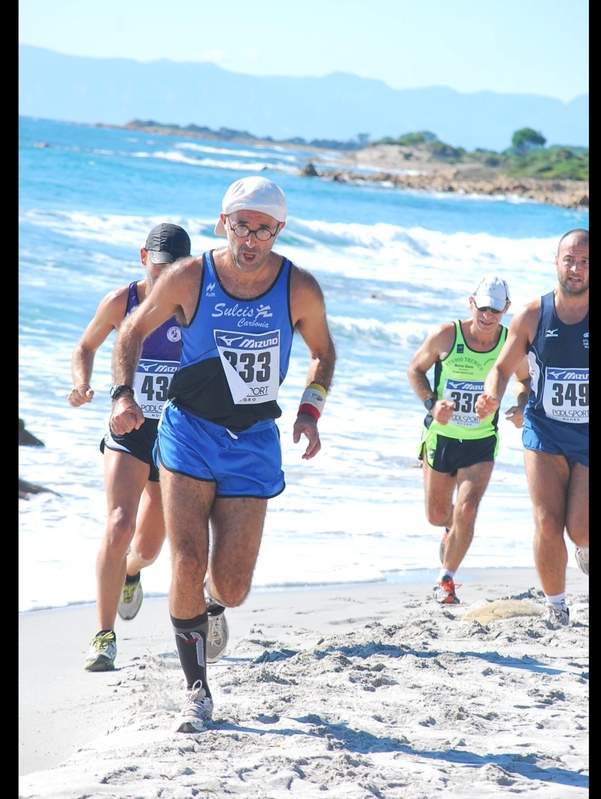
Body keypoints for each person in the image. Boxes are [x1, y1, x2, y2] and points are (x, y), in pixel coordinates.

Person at [108, 176, 337, 732]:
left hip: (254, 441)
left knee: (231, 585)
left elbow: (323, 352)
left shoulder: (297, 287)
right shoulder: (191, 276)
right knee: (185, 559)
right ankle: (196, 690)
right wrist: (122, 393)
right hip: (188, 430)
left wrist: (310, 410)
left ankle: (210, 605)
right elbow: (131, 333)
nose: (252, 239)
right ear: (223, 224)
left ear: (279, 231)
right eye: (242, 226)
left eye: (264, 229)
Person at [67, 223, 226, 671]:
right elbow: (86, 345)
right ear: (143, 258)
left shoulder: (199, 307)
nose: (165, 278)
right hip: (129, 429)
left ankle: (131, 573)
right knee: (118, 525)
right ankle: (103, 638)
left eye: (175, 270)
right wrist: (83, 385)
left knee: (149, 548)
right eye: (159, 269)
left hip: (176, 436)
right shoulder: (123, 301)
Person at [475, 229, 589, 626]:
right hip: (544, 430)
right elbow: (502, 369)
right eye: (569, 260)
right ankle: (556, 605)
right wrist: (491, 396)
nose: (576, 268)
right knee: (545, 519)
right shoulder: (531, 315)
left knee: (581, 530)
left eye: (585, 262)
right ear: (556, 263)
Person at [407, 275, 530, 605]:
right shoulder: (447, 336)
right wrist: (433, 404)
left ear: (506, 308)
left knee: (468, 509)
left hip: (481, 441)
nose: (488, 316)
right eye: (482, 307)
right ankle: (451, 529)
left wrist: (520, 406)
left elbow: (524, 380)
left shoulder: (510, 343)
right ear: (470, 302)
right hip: (442, 437)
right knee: (437, 516)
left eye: (495, 310)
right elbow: (414, 370)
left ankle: (445, 580)